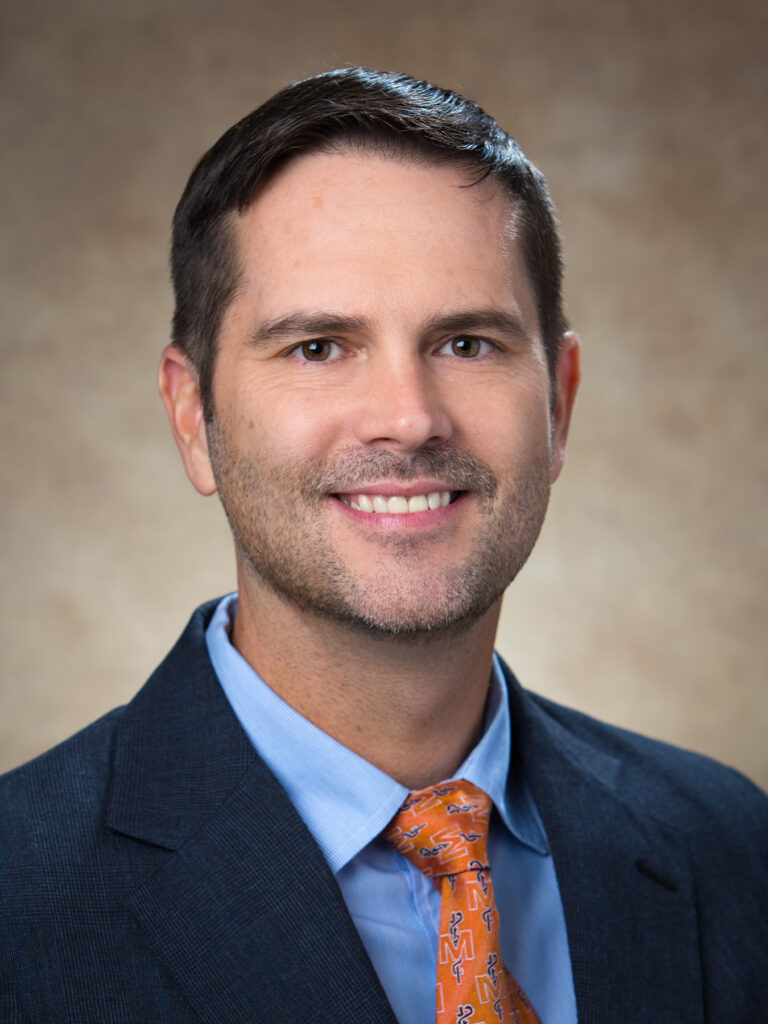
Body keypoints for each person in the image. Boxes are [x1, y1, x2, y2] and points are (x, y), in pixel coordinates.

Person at [0, 67, 765, 1024]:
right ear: (194, 415)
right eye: (318, 347)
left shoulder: (733, 846)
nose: (407, 419)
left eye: (467, 343)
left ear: (559, 403)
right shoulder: (17, 900)